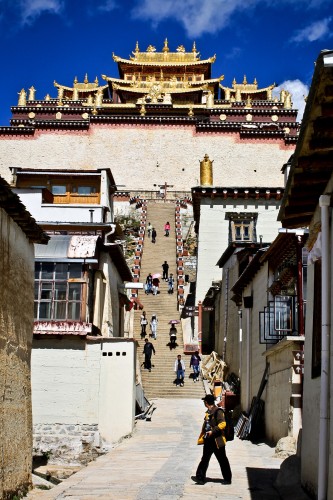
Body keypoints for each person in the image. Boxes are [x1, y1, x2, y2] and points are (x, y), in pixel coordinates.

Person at [193, 394, 232, 485]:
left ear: (206, 402)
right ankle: (200, 478)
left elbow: (223, 424)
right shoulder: (209, 411)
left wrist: (212, 431)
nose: (204, 403)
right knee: (205, 459)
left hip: (217, 440)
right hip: (208, 440)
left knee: (222, 459)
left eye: (204, 401)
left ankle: (227, 478)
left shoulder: (218, 411)